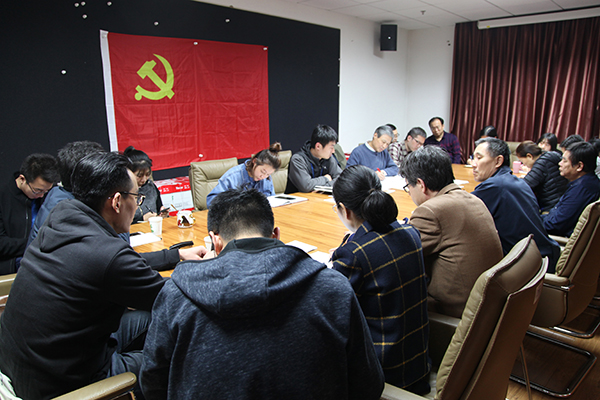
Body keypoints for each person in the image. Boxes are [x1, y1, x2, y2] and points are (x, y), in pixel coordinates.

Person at [140, 188, 385, 400]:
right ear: (276, 234)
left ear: (216, 242)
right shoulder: (334, 288)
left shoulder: (176, 296)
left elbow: (152, 382)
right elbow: (368, 384)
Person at [0, 152, 207, 400]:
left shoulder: (63, 217)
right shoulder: (108, 256)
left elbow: (116, 264)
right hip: (64, 382)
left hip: (25, 365)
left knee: (146, 318)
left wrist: (175, 255)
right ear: (117, 201)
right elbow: (176, 298)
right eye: (137, 198)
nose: (137, 205)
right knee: (182, 353)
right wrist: (214, 270)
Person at [331, 165, 430, 394]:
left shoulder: (353, 255)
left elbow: (332, 310)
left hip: (382, 374)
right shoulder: (411, 233)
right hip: (417, 365)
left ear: (345, 210)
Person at [27, 141, 189, 272]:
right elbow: (120, 261)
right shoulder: (76, 220)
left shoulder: (62, 201)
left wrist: (176, 255)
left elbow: (121, 260)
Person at [400, 146, 503, 318]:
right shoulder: (473, 199)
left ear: (420, 184)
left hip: (456, 314)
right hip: (488, 307)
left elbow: (398, 255)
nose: (409, 192)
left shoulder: (431, 211)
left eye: (408, 187)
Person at [471, 138, 560, 272]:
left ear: (498, 161)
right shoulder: (511, 180)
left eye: (479, 158)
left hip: (527, 266)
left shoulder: (496, 186)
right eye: (473, 158)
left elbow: (461, 210)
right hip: (543, 256)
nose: (473, 164)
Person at [0, 153, 59, 274]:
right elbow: (1, 244)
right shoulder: (3, 198)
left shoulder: (47, 196)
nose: (41, 195)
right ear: (22, 179)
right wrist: (35, 243)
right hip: (14, 264)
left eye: (46, 191)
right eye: (37, 191)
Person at [542, 141, 600, 237]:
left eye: (564, 161)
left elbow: (554, 225)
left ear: (579, 166)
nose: (560, 163)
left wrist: (533, 222)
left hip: (557, 239)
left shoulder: (582, 189)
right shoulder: (587, 182)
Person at [206, 142, 281, 207]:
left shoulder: (267, 178)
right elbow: (211, 201)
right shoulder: (233, 176)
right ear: (255, 161)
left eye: (268, 174)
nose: (263, 177)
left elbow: (271, 200)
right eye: (262, 171)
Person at [286, 125, 342, 193]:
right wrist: (326, 178)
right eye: (331, 148)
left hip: (319, 197)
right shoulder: (298, 159)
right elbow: (306, 185)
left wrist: (323, 188)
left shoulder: (328, 158)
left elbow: (341, 178)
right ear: (318, 146)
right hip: (299, 198)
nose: (333, 151)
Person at [516, 141, 568, 211]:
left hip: (551, 207)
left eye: (522, 161)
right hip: (559, 201)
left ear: (529, 156)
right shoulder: (548, 157)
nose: (524, 164)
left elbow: (525, 185)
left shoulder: (542, 162)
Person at [123, 146, 169, 222]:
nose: (144, 179)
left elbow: (158, 208)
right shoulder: (122, 193)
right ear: (128, 173)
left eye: (147, 174)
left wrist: (161, 214)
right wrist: (142, 219)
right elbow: (118, 224)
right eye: (139, 176)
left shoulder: (151, 187)